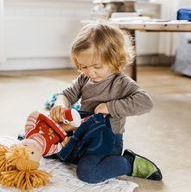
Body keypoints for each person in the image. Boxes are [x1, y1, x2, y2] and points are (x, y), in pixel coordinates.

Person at [50, 22, 162, 183]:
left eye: (97, 66)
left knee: (88, 173)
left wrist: (111, 107)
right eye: (84, 66)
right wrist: (60, 103)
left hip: (106, 141)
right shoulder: (85, 78)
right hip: (83, 133)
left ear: (114, 59)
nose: (90, 72)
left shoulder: (121, 82)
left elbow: (146, 102)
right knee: (49, 145)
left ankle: (129, 163)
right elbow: (67, 94)